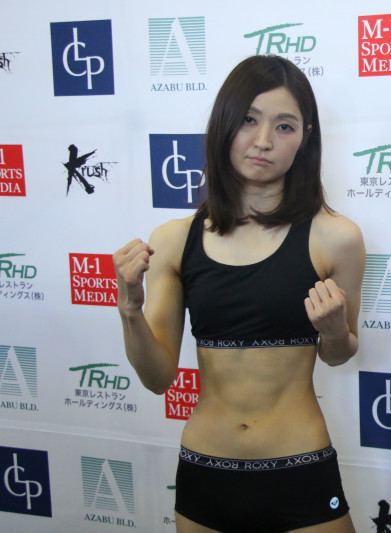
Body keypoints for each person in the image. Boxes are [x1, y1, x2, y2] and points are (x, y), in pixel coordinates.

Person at [113, 55, 365, 533]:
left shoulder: (336, 237)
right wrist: (130, 309)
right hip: (206, 468)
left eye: (284, 126)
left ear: (305, 137)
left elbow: (338, 354)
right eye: (249, 120)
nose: (263, 140)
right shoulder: (174, 239)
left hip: (299, 462)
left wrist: (334, 331)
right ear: (224, 124)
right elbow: (157, 378)